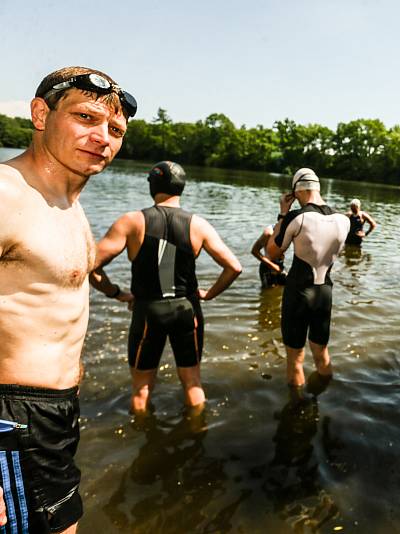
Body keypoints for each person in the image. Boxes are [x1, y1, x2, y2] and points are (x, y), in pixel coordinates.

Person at [0, 66, 137, 533]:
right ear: (41, 113)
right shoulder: (6, 194)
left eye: (114, 130)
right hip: (11, 420)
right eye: (85, 117)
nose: (102, 137)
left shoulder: (67, 206)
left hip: (52, 415)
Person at [91, 161, 242, 415]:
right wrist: (208, 294)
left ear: (152, 185)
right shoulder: (198, 224)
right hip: (187, 310)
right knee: (193, 382)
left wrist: (116, 293)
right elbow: (234, 267)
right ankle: (196, 435)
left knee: (141, 390)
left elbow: (91, 266)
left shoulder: (132, 221)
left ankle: (142, 441)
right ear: (181, 188)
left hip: (149, 311)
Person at [267, 168, 349, 391]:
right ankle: (323, 397)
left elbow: (272, 252)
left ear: (296, 191)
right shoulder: (343, 220)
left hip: (299, 293)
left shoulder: (297, 217)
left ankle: (297, 409)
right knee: (321, 352)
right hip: (325, 293)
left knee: (295, 359)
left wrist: (283, 212)